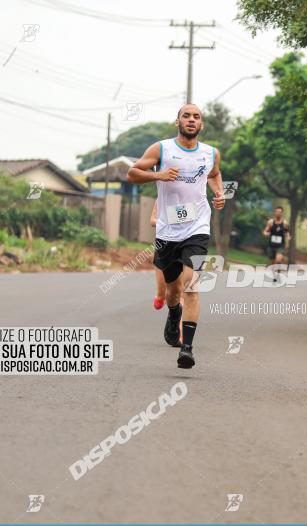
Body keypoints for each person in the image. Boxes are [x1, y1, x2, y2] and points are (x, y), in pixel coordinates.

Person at [127, 104, 225, 369]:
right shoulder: (162, 149)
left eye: (196, 117)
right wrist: (159, 174)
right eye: (186, 116)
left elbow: (214, 175)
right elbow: (132, 173)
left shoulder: (210, 153)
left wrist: (219, 194)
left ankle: (188, 348)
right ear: (178, 121)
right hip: (168, 230)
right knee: (173, 290)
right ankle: (173, 313)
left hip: (197, 227)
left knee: (191, 284)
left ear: (201, 124)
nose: (191, 120)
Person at [263, 206, 289, 281]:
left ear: (282, 213)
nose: (278, 213)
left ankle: (277, 275)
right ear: (275, 213)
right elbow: (266, 230)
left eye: (280, 212)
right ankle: (275, 275)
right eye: (277, 212)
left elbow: (287, 232)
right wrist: (265, 233)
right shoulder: (271, 222)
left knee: (278, 260)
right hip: (272, 245)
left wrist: (288, 239)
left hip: (281, 245)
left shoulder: (284, 223)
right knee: (273, 262)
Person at [149, 201, 167, 310]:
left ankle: (177, 324)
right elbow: (152, 221)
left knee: (182, 292)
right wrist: (165, 223)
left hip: (184, 244)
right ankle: (160, 296)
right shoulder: (161, 199)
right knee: (162, 294)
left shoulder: (191, 197)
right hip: (164, 244)